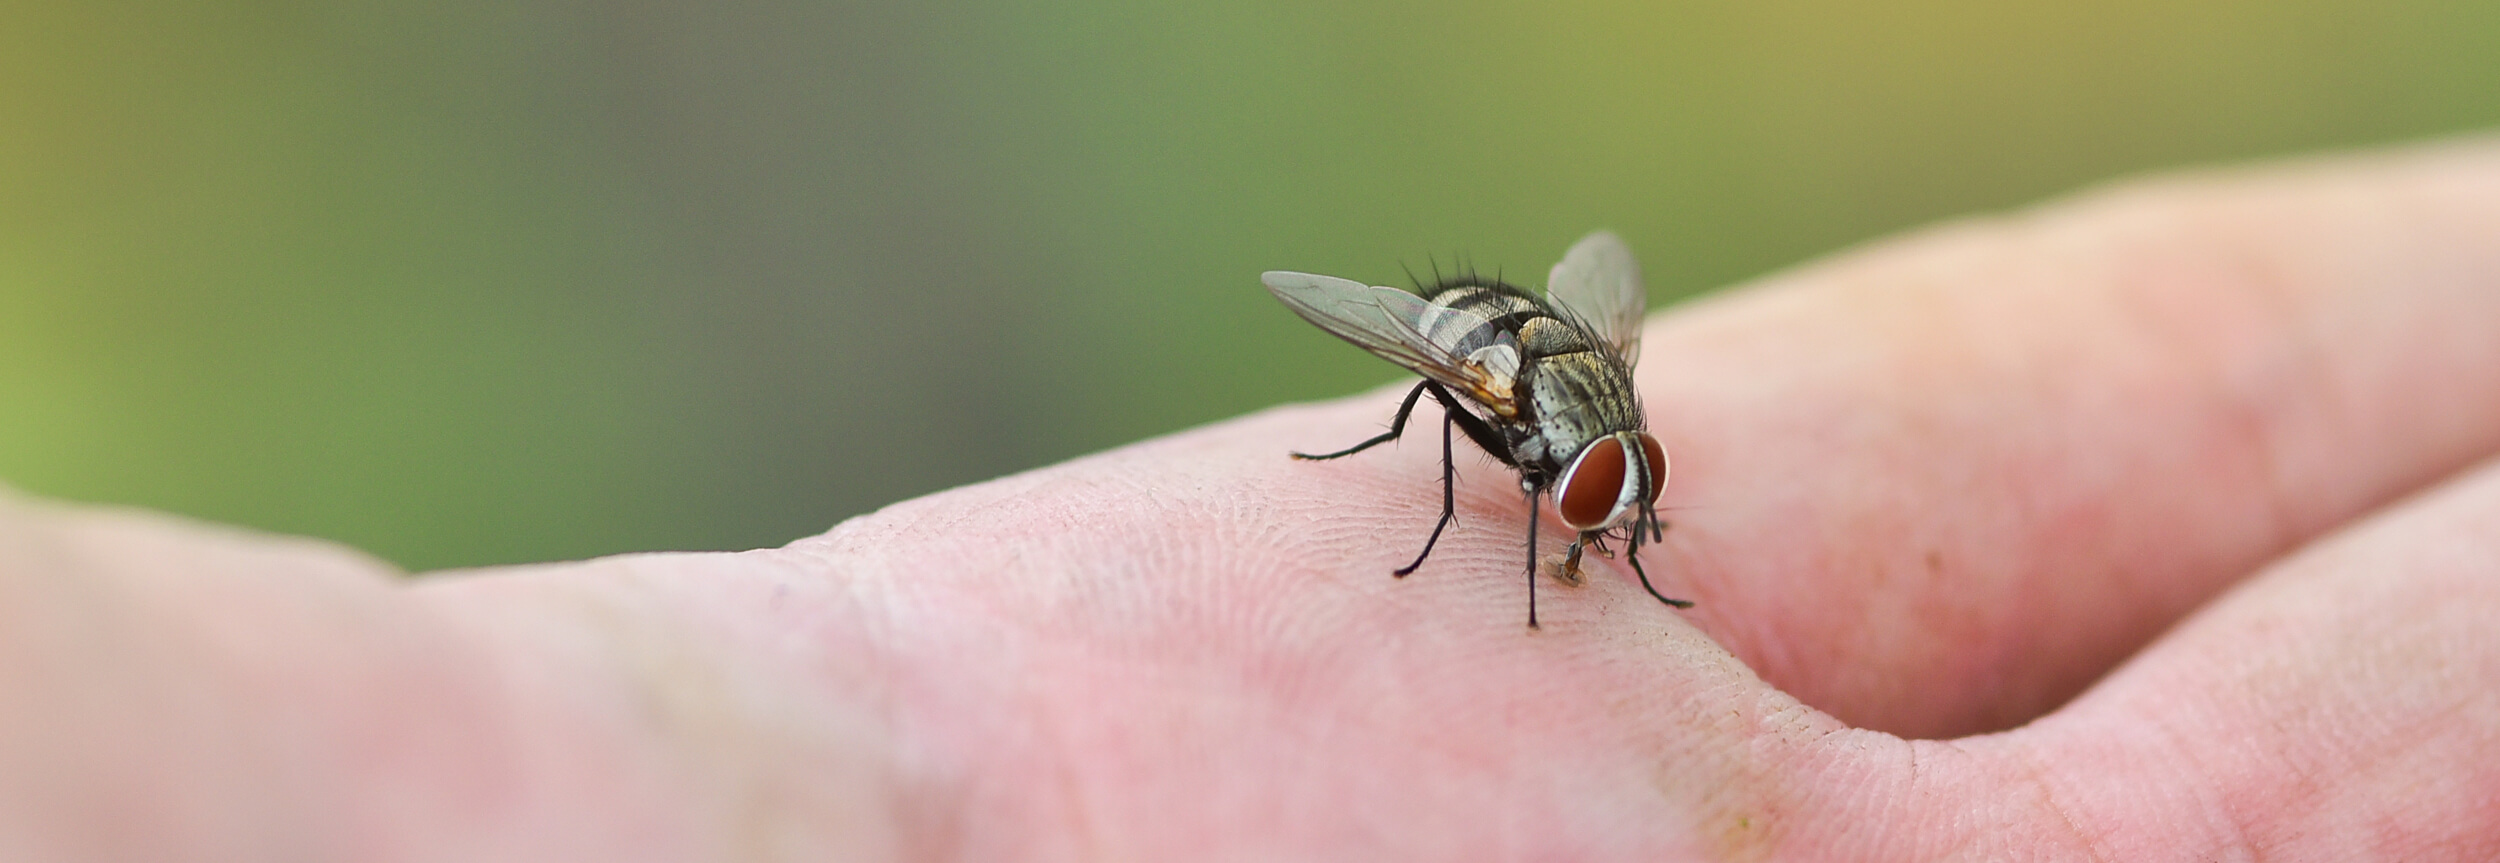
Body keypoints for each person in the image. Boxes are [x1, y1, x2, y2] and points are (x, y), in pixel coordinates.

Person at [6, 138, 2498, 861]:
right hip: (1451, 341)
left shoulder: (1605, 413)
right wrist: (1461, 483)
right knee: (1418, 422)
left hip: (1541, 341)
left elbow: (1597, 389)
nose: (1591, 495)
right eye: (1585, 482)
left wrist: (1609, 489)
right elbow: (1476, 388)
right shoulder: (1486, 400)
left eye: (1599, 478)